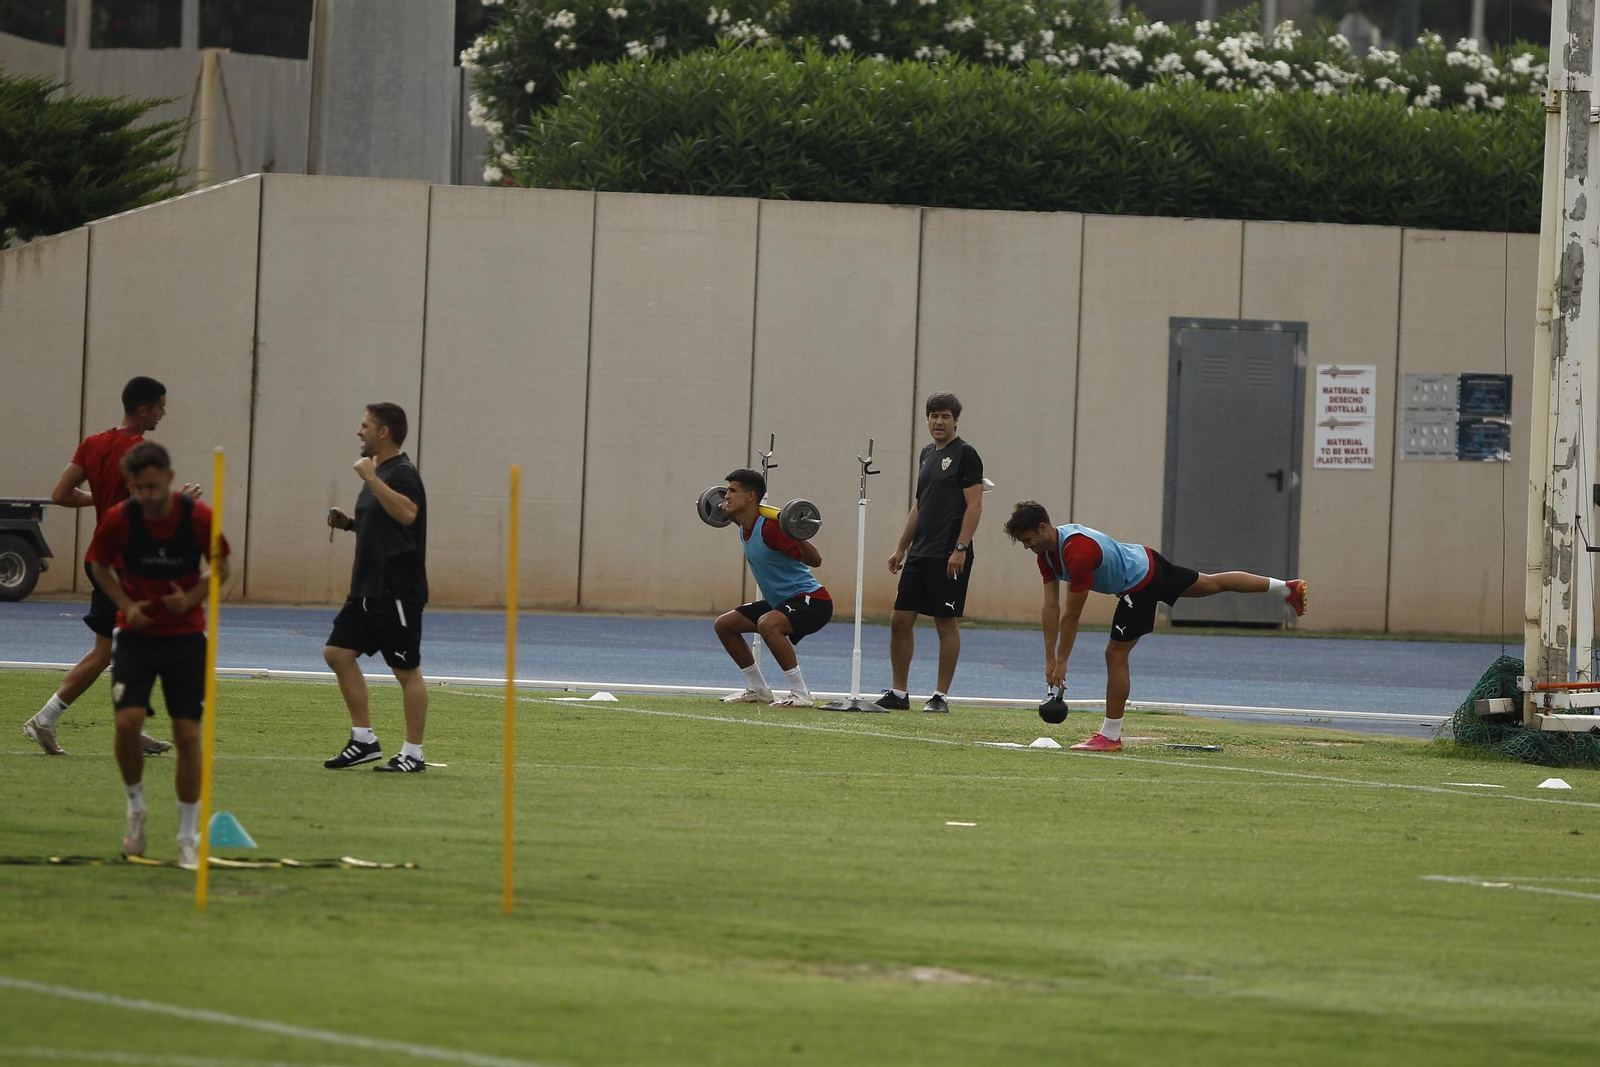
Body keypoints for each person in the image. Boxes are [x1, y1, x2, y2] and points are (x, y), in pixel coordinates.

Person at [1005, 501, 1307, 753]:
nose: (1027, 546)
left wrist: (1062, 662)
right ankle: (1286, 588)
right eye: (1023, 542)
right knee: (1210, 583)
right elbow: (1051, 607)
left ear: (1044, 528)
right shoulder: (1045, 554)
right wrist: (1049, 658)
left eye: (1029, 539)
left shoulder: (1077, 553)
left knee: (1115, 654)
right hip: (1147, 558)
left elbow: (1071, 615)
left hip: (1140, 583)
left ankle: (1110, 736)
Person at [24, 376, 199, 757]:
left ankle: (125, 726)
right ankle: (47, 719)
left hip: (102, 557)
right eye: (160, 407)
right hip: (126, 564)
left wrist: (100, 498)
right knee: (120, 650)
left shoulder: (93, 443)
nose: (163, 413)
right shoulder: (140, 451)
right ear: (143, 409)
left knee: (122, 649)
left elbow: (60, 495)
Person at [84, 443, 229, 867]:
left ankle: (187, 835)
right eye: (138, 487)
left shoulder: (197, 517)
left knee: (187, 734)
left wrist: (195, 596)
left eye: (152, 486)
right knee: (127, 723)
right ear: (130, 485)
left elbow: (221, 567)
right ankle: (136, 809)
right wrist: (124, 605)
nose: (146, 495)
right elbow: (98, 565)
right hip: (136, 635)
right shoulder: (120, 519)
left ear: (169, 478)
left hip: (185, 637)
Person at [322, 403, 430, 773]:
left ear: (383, 432)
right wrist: (349, 524)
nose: (359, 432)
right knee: (337, 653)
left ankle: (413, 754)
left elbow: (408, 514)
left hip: (395, 591)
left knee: (406, 671)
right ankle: (364, 739)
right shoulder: (380, 472)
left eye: (365, 425)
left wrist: (371, 479)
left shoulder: (399, 473)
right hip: (366, 589)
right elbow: (384, 524)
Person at [876, 392, 984, 713]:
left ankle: (940, 696)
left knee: (944, 623)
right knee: (899, 620)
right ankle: (899, 692)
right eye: (934, 416)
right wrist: (901, 547)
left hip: (949, 553)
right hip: (920, 554)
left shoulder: (966, 454)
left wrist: (960, 548)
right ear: (927, 418)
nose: (939, 421)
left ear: (955, 420)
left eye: (945, 416)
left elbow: (975, 506)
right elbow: (920, 505)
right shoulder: (926, 453)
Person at [713, 468, 833, 707]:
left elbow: (816, 561)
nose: (726, 496)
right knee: (725, 625)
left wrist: (797, 532)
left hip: (811, 601)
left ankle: (801, 694)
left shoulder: (773, 528)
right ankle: (759, 689)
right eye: (726, 490)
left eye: (732, 491)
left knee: (768, 623)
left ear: (750, 496)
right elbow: (733, 517)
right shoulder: (744, 525)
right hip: (781, 602)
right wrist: (726, 511)